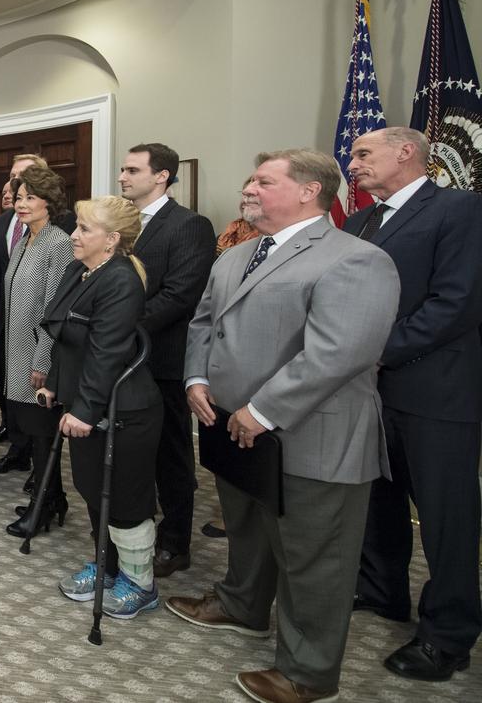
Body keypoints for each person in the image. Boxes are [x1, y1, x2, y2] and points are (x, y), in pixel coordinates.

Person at [169, 148, 399, 703]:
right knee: (247, 528)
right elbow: (204, 323)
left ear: (308, 191)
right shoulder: (234, 256)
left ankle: (307, 673)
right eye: (250, 179)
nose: (248, 189)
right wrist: (196, 379)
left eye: (263, 181)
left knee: (312, 556)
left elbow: (340, 352)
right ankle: (243, 605)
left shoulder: (355, 258)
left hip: (311, 435)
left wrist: (263, 411)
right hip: (230, 426)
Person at [344, 126, 482, 682]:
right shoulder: (357, 223)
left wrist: (377, 351)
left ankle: (448, 634)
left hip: (437, 390)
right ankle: (382, 590)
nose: (352, 164)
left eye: (362, 154)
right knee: (381, 496)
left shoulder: (458, 209)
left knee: (446, 517)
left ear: (406, 153)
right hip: (369, 391)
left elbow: (458, 302)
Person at [36, 195, 162, 618]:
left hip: (123, 411)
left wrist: (86, 411)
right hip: (85, 400)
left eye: (84, 229)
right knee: (92, 490)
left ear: (111, 240)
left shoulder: (122, 281)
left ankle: (140, 583)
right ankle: (107, 567)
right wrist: (55, 385)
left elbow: (106, 354)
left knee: (125, 499)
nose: (74, 235)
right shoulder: (81, 269)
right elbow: (65, 336)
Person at [116, 143, 217, 578]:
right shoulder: (121, 223)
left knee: (171, 455)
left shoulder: (189, 225)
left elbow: (180, 294)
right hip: (121, 359)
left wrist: (120, 328)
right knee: (131, 452)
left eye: (132, 170)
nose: (123, 176)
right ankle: (132, 529)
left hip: (162, 359)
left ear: (162, 176)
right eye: (122, 169)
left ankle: (175, 543)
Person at [0, 166, 75, 537]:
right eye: (19, 197)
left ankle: (44, 506)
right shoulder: (27, 240)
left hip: (40, 358)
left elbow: (55, 310)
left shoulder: (58, 243)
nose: (21, 204)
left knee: (42, 437)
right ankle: (51, 499)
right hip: (17, 352)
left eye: (30, 197)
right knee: (34, 433)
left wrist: (43, 361)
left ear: (49, 202)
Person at [0, 153, 46, 446]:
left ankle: (36, 452)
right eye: (12, 174)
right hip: (5, 318)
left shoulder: (58, 223)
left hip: (37, 323)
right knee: (6, 380)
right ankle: (13, 435)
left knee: (34, 386)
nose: (15, 179)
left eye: (23, 174)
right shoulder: (5, 220)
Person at [216, 177, 260, 254]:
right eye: (244, 195)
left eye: (252, 196)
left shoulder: (268, 240)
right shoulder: (226, 235)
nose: (245, 201)